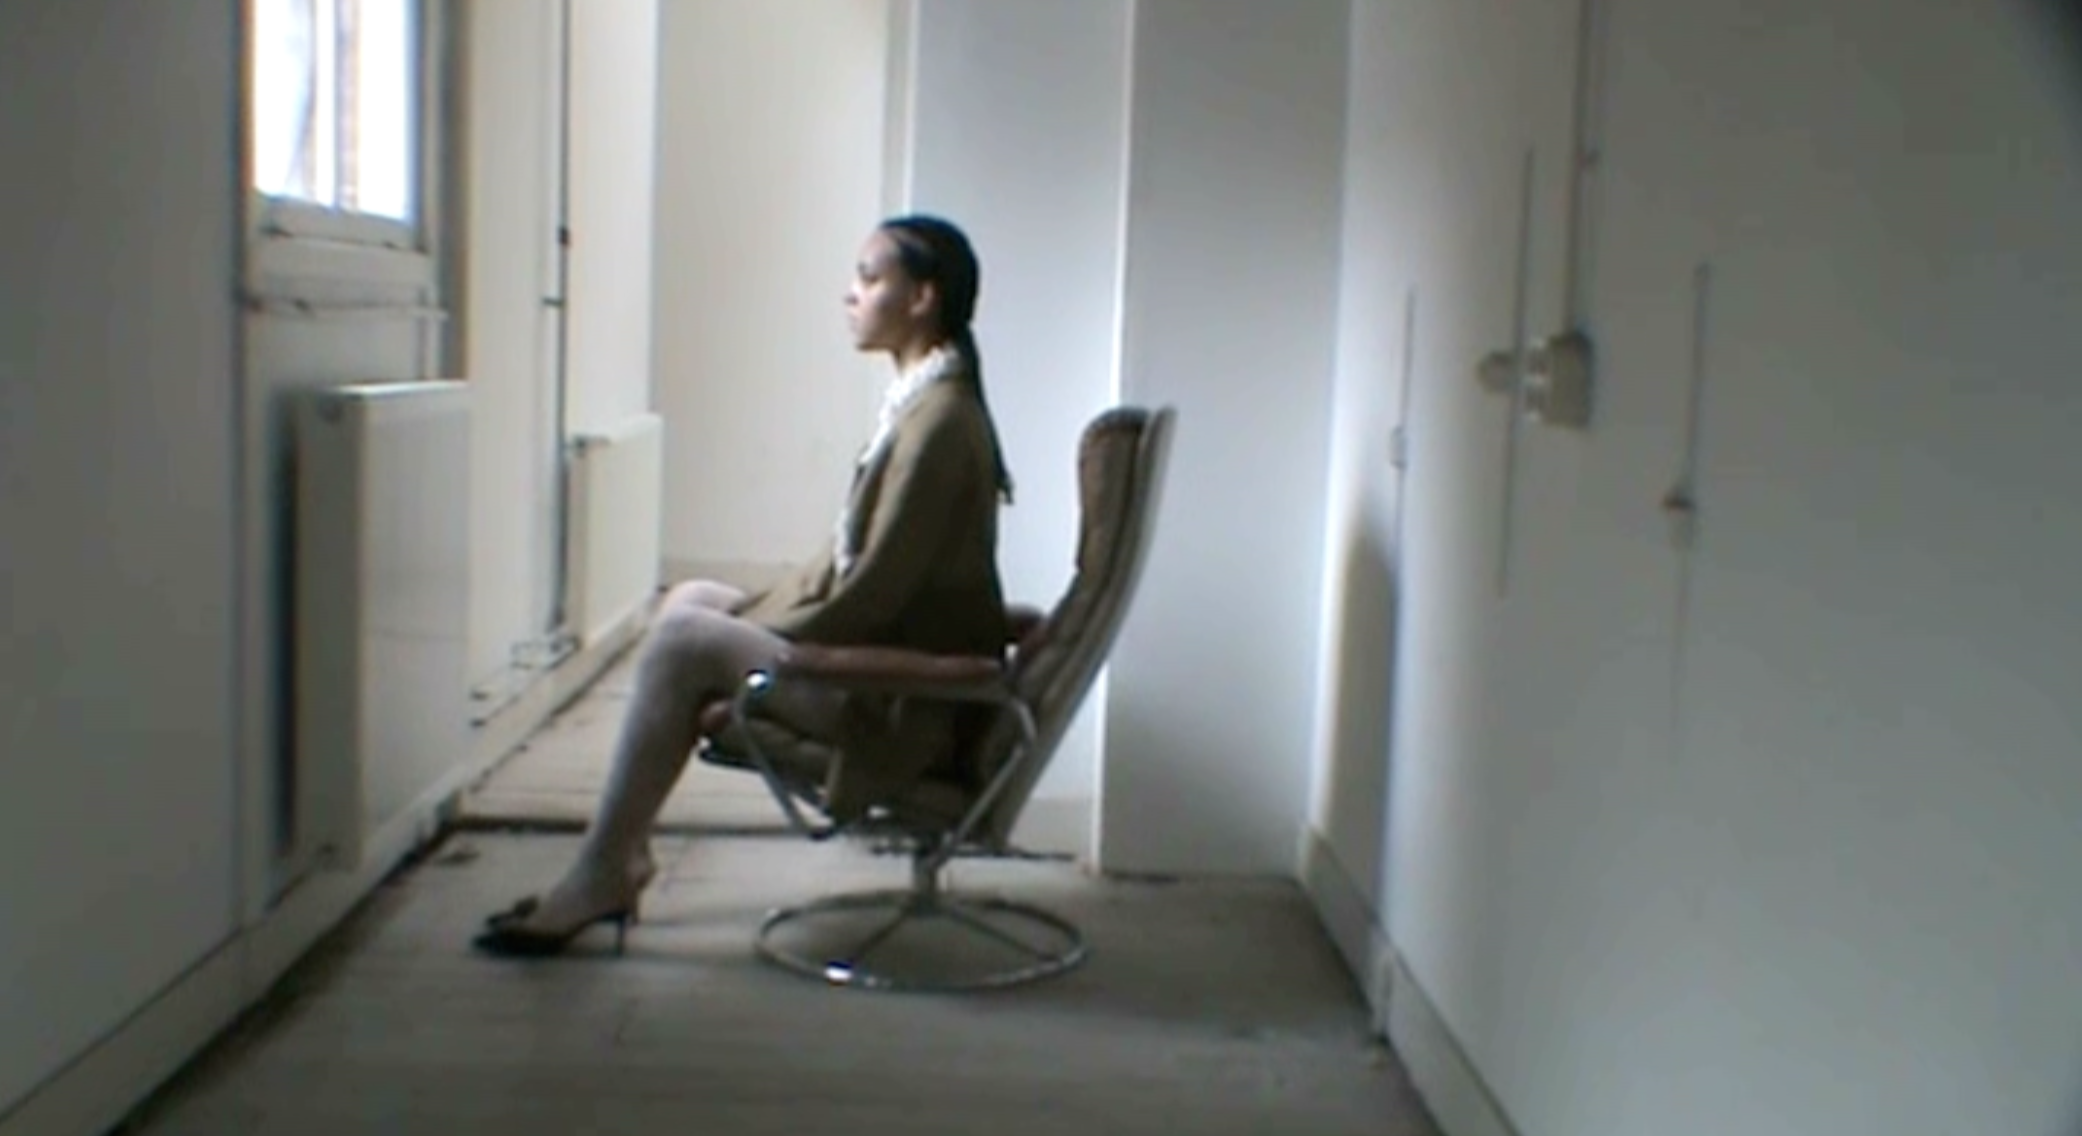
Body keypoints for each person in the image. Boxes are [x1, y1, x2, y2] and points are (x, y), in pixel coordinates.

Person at [475, 215, 1013, 957]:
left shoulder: (939, 425)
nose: (848, 294)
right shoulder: (926, 404)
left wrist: (756, 644)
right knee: (691, 600)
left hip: (901, 707)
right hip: (891, 670)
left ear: (922, 298)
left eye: (868, 278)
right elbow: (853, 572)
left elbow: (872, 594)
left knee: (684, 641)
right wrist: (752, 620)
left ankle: (603, 869)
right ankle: (620, 855)